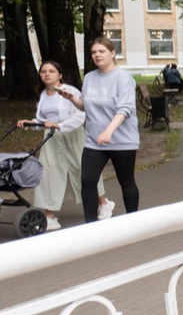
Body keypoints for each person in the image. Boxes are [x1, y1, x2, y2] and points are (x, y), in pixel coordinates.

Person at [16, 61, 113, 230]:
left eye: (51, 71)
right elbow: (41, 119)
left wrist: (59, 126)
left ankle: (104, 202)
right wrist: (30, 123)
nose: (47, 74)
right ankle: (49, 216)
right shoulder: (43, 95)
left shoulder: (69, 91)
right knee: (48, 174)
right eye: (43, 71)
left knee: (84, 170)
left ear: (59, 75)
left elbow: (80, 116)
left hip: (73, 135)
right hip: (52, 139)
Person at [60, 37, 141, 222]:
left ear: (113, 53)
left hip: (122, 140)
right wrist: (72, 99)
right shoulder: (89, 77)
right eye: (94, 52)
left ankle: (134, 222)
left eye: (101, 51)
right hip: (94, 140)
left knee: (126, 181)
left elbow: (125, 109)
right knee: (87, 181)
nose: (97, 55)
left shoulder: (123, 77)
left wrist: (109, 131)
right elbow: (87, 107)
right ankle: (91, 226)